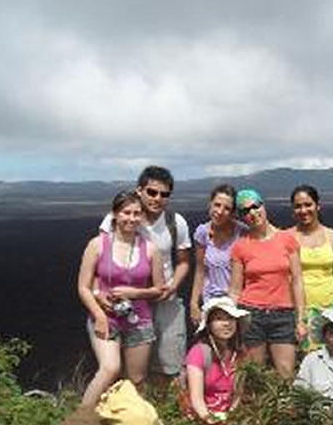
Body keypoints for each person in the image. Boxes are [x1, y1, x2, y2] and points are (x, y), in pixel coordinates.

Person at [98, 166, 191, 385]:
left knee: (169, 362)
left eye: (164, 194)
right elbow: (100, 258)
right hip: (125, 301)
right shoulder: (121, 218)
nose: (157, 198)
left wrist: (173, 285)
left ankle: (164, 411)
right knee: (125, 366)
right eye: (152, 192)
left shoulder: (176, 222)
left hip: (164, 299)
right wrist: (98, 293)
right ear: (139, 190)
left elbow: (184, 261)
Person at [78, 190, 164, 407]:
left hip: (139, 320)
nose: (132, 218)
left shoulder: (150, 249)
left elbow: (159, 289)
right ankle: (79, 420)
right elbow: (83, 287)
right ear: (115, 214)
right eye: (127, 212)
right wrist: (98, 315)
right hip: (107, 318)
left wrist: (135, 293)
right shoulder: (97, 245)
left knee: (136, 380)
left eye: (137, 214)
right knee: (110, 368)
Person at [229, 189, 307, 379]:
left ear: (263, 206)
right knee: (254, 375)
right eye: (245, 211)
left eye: (255, 206)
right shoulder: (240, 246)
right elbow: (235, 289)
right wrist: (230, 318)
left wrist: (301, 319)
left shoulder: (287, 240)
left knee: (286, 374)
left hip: (283, 314)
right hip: (251, 314)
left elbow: (297, 280)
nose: (252, 213)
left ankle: (287, 410)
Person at [288, 185, 333, 352]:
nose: (303, 210)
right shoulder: (287, 237)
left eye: (308, 204)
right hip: (301, 308)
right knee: (303, 357)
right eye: (298, 206)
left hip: (330, 306)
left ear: (317, 206)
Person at [184, 296, 248, 425]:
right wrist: (208, 418)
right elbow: (196, 398)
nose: (226, 324)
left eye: (230, 318)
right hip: (203, 416)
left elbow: (238, 394)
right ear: (208, 325)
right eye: (219, 319)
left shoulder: (240, 352)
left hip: (231, 417)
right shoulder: (199, 352)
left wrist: (232, 415)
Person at [190, 184, 247, 325]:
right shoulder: (202, 233)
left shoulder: (242, 233)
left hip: (238, 303)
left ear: (233, 212)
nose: (220, 211)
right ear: (210, 204)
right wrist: (193, 304)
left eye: (227, 208)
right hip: (211, 302)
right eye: (217, 205)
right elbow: (200, 270)